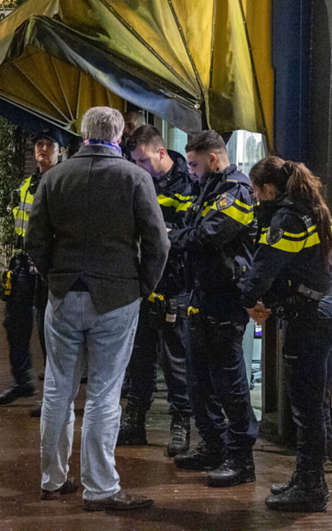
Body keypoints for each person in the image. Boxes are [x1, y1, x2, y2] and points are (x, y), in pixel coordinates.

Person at [27, 107, 168, 511]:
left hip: (64, 294)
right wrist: (141, 286)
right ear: (119, 137)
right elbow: (158, 242)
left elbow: (35, 240)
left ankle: (52, 479)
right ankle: (100, 487)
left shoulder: (55, 177)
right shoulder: (135, 178)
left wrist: (55, 277)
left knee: (58, 390)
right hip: (117, 297)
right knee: (105, 394)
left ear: (84, 134)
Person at [240, 156, 332, 512]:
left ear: (268, 188)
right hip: (325, 315)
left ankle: (311, 486)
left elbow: (265, 267)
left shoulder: (287, 218)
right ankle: (308, 477)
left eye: (257, 194)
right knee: (314, 406)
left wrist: (246, 299)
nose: (257, 200)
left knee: (307, 410)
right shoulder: (311, 209)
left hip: (310, 321)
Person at [168, 130, 259, 487]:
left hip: (225, 298)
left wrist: (169, 237)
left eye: (194, 164)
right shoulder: (207, 189)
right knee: (198, 379)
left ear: (214, 158)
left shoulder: (236, 191)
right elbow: (195, 229)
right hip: (201, 295)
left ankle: (241, 458)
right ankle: (213, 444)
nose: (190, 171)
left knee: (230, 383)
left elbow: (208, 235)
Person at [119, 124, 193, 456]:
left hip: (176, 283)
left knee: (176, 361)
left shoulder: (187, 184)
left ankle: (181, 424)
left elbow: (190, 233)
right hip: (143, 285)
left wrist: (165, 234)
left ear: (160, 152)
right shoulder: (136, 182)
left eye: (143, 160)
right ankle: (134, 422)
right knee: (139, 359)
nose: (139, 167)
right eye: (134, 161)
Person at [0, 130, 61, 407]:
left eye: (49, 145)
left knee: (49, 333)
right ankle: (22, 382)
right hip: (22, 266)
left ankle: (53, 396)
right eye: (39, 144)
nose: (42, 149)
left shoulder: (61, 183)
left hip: (46, 269)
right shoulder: (27, 184)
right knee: (15, 324)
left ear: (60, 150)